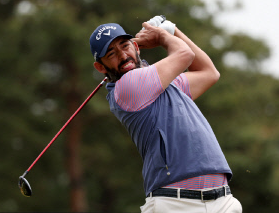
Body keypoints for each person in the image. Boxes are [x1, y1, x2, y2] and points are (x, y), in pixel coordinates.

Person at [89, 16, 242, 213]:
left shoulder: (168, 85)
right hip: (175, 204)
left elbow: (209, 72)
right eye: (111, 53)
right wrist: (163, 35)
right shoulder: (127, 87)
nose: (123, 55)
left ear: (136, 47)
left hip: (222, 200)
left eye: (125, 46)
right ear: (101, 67)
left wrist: (172, 30)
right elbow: (185, 54)